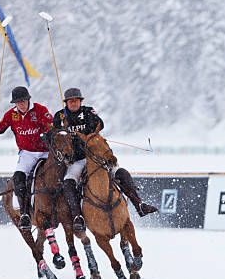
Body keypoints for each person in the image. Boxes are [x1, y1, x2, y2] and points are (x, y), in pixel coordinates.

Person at [51, 87, 158, 231]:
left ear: (80, 101)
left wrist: (81, 132)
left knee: (121, 173)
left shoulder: (88, 112)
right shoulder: (59, 116)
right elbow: (55, 136)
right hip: (76, 160)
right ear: (66, 103)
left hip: (94, 157)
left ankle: (139, 204)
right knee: (69, 183)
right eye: (71, 101)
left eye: (76, 100)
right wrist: (64, 129)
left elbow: (99, 124)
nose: (74, 103)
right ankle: (78, 217)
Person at [0, 86, 53, 230]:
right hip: (27, 153)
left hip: (46, 151)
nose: (21, 104)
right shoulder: (11, 115)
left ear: (28, 99)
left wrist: (48, 134)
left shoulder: (40, 110)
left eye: (23, 101)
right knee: (18, 177)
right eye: (18, 102)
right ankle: (25, 214)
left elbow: (52, 126)